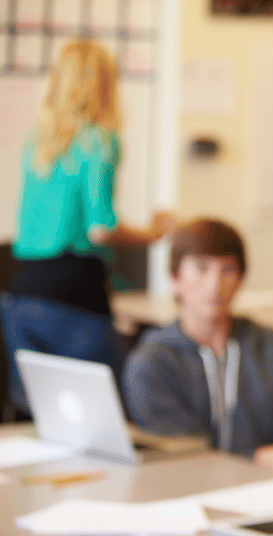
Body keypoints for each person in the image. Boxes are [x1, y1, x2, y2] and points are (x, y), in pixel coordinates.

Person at [1, 41, 174, 416]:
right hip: (73, 292)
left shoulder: (38, 142)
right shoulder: (100, 139)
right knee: (96, 413)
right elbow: (100, 228)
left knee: (39, 412)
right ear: (104, 84)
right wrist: (153, 234)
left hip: (21, 293)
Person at [122, 219, 273, 478]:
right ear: (174, 279)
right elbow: (182, 455)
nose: (215, 284)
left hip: (271, 495)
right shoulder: (151, 364)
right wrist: (255, 458)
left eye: (227, 270)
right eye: (201, 269)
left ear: (240, 280)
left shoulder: (271, 347)